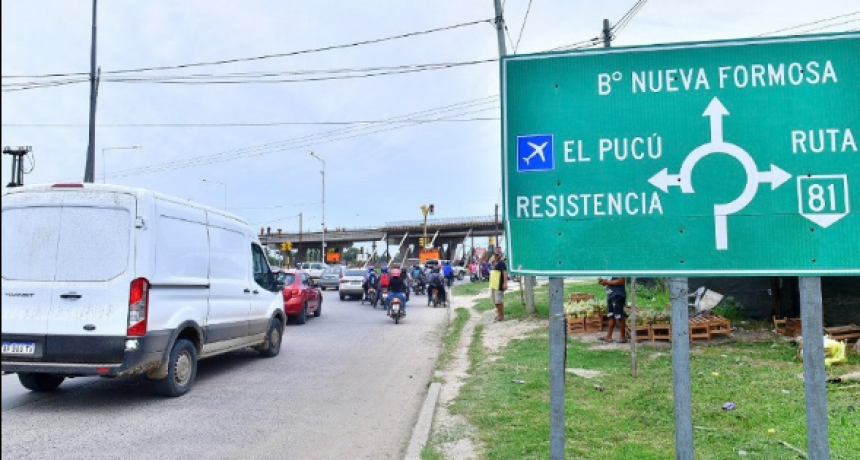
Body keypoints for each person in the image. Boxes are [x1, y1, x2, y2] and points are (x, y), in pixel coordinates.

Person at [599, 277, 628, 343]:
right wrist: (603, 282)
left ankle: (623, 337)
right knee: (610, 315)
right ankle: (608, 336)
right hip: (610, 295)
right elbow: (609, 281)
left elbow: (621, 280)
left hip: (618, 295)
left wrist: (607, 282)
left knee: (619, 315)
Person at [489, 252, 508, 321]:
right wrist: (491, 262)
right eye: (494, 255)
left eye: (497, 255)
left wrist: (505, 283)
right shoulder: (495, 263)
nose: (495, 256)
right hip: (494, 284)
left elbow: (505, 272)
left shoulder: (502, 263)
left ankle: (501, 315)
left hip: (499, 285)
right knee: (494, 300)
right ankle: (499, 314)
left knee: (498, 301)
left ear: (500, 256)